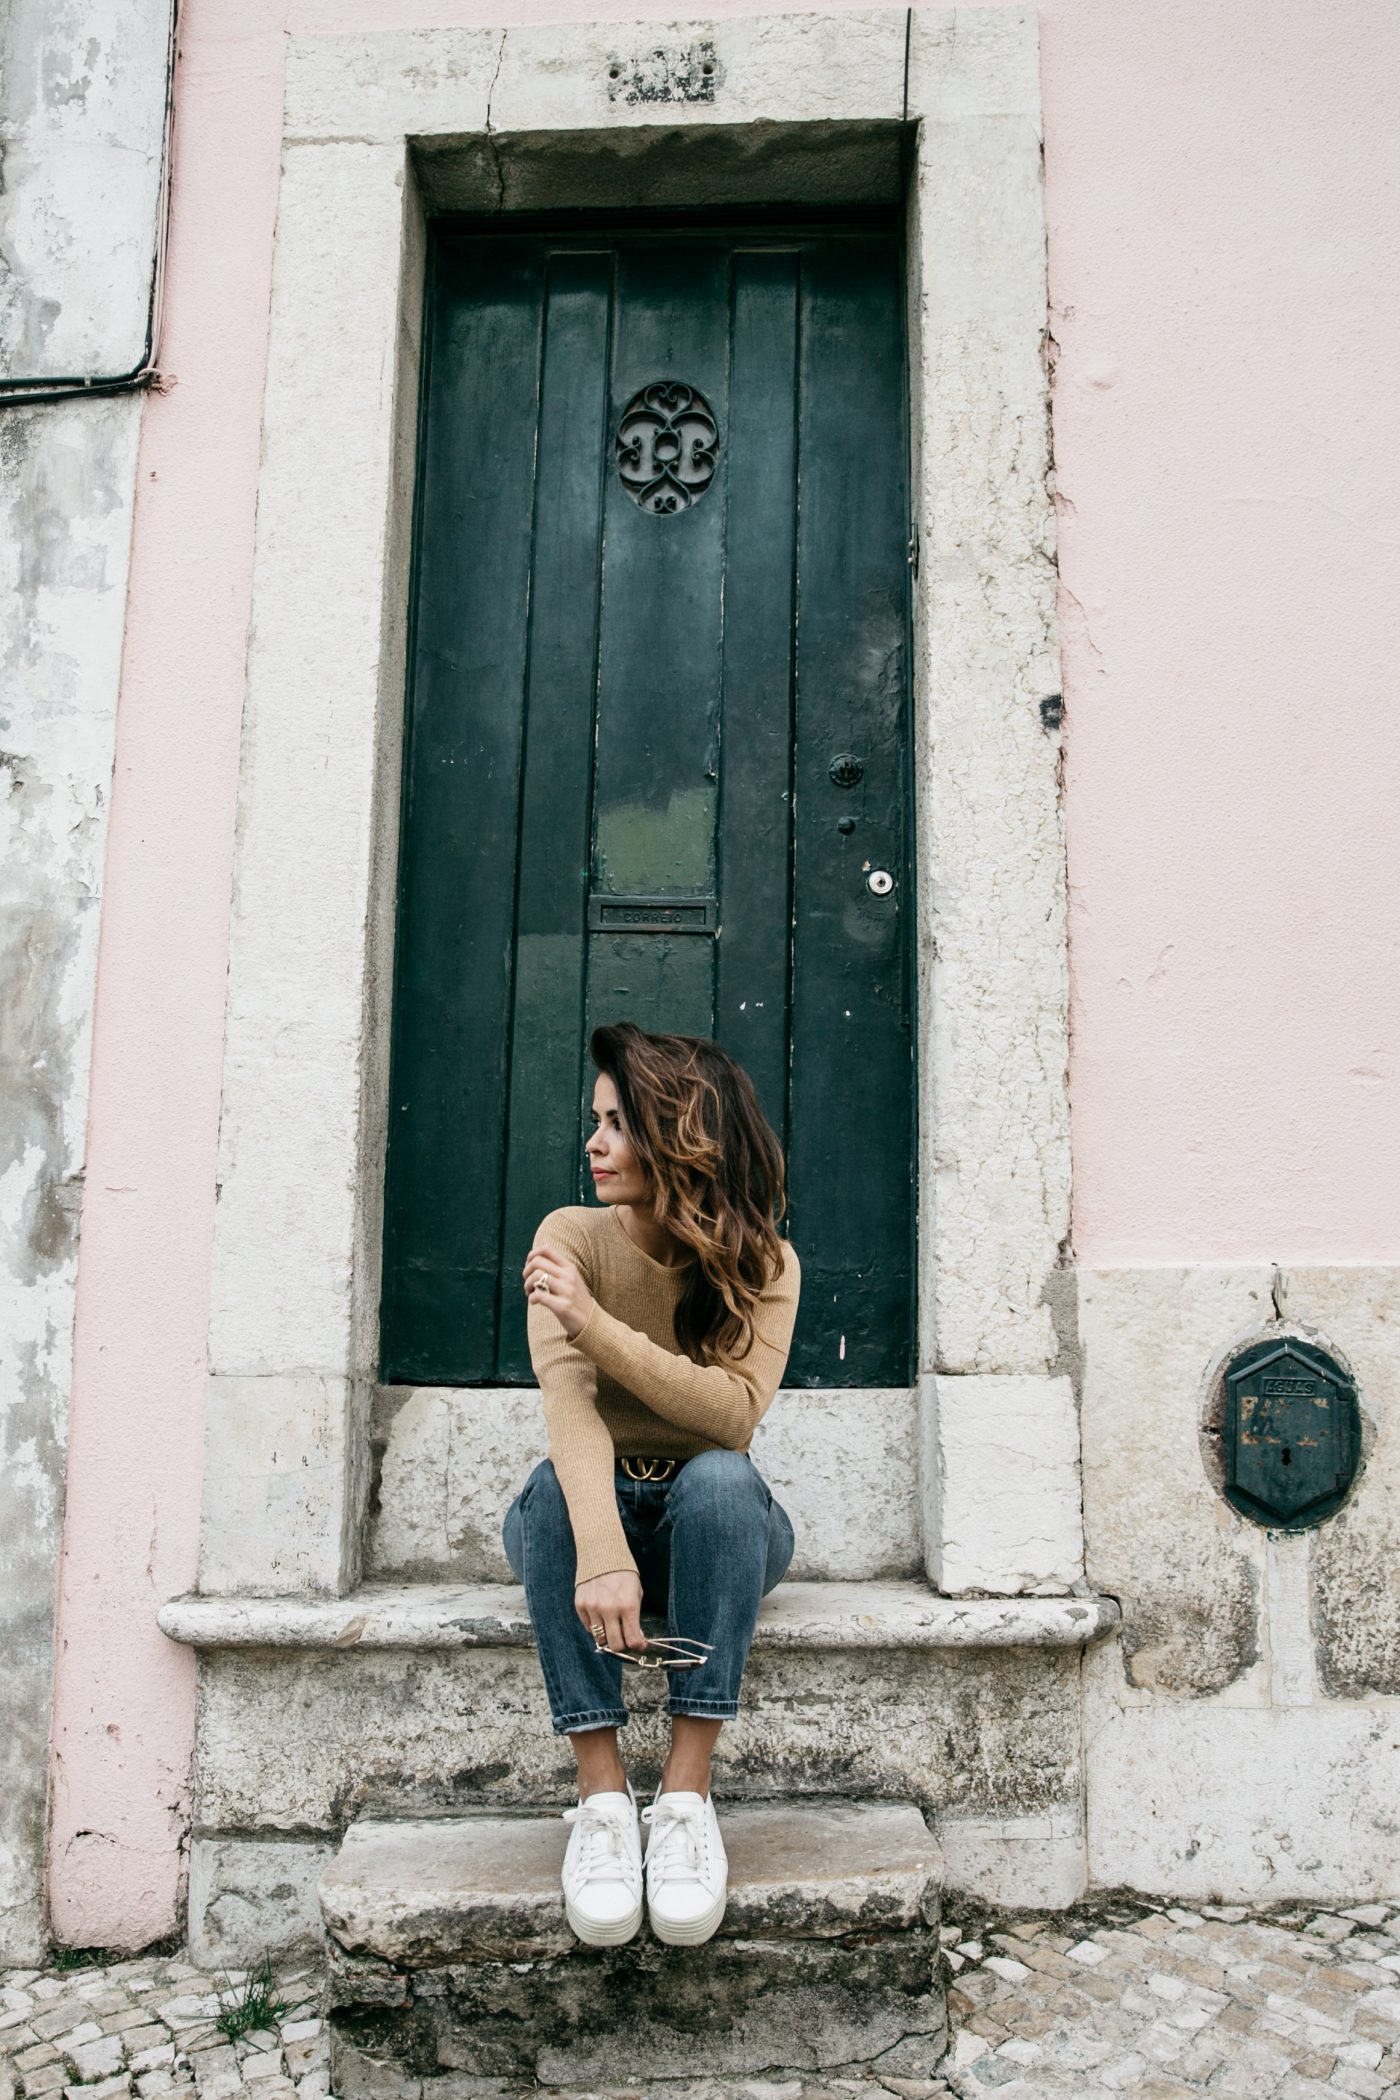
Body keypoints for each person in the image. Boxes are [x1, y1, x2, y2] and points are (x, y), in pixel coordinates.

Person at [503, 1019, 802, 1949]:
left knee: (719, 1479)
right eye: (595, 1121)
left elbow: (732, 1416)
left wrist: (597, 1326)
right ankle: (600, 1800)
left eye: (619, 1125)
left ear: (685, 1135)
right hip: (596, 1507)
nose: (594, 1143)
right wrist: (601, 1549)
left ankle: (682, 1800)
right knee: (554, 1491)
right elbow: (571, 1409)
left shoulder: (765, 1263)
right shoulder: (571, 1236)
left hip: (712, 1526)